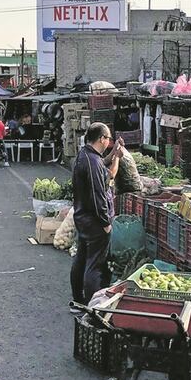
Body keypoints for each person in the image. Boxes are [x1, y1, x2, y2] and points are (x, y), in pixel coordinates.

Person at [70, 122, 122, 305]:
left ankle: (78, 301)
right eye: (108, 138)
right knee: (95, 265)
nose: (109, 141)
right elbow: (98, 195)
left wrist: (114, 153)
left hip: (83, 218)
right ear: (101, 139)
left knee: (81, 259)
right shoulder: (92, 162)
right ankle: (92, 307)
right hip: (94, 222)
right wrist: (105, 222)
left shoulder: (86, 155)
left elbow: (102, 164)